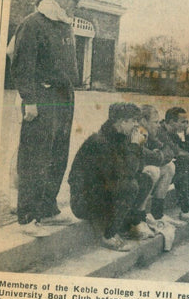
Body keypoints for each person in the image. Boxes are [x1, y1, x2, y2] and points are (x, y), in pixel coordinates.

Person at [8, 0, 85, 236]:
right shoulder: (33, 24)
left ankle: (47, 209)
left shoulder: (64, 23)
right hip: (42, 97)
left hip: (64, 97)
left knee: (57, 154)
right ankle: (27, 217)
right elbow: (22, 64)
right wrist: (29, 100)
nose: (77, 6)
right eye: (75, 1)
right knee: (35, 157)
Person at [68, 102, 174, 252]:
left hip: (100, 193)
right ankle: (108, 235)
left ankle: (125, 225)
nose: (137, 125)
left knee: (144, 179)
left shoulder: (121, 138)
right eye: (133, 121)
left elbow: (137, 168)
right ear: (122, 122)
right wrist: (135, 146)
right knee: (130, 186)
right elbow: (125, 174)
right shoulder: (101, 141)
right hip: (83, 201)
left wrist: (136, 149)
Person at [139, 105, 181, 228]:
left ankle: (158, 213)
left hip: (140, 177)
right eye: (155, 122)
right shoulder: (138, 133)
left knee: (169, 167)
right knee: (153, 170)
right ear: (143, 121)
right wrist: (158, 155)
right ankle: (140, 217)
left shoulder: (149, 133)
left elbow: (169, 151)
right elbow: (151, 157)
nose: (158, 125)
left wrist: (158, 155)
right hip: (129, 180)